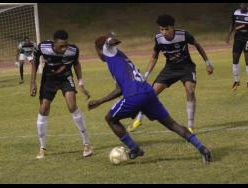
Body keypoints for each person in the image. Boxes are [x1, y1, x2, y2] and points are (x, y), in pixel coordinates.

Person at [88, 34, 213, 163]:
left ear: (101, 49)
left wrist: (110, 40)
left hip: (134, 95)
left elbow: (110, 42)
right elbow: (119, 89)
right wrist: (100, 101)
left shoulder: (109, 53)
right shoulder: (120, 58)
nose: (98, 55)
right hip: (148, 92)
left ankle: (134, 149)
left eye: (97, 52)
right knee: (172, 124)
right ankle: (202, 148)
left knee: (110, 119)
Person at [129, 14, 214, 133]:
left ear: (172, 27)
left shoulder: (183, 35)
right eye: (161, 29)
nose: (164, 32)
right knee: (150, 93)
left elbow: (198, 45)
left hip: (186, 68)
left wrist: (208, 63)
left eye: (166, 29)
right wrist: (146, 75)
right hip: (170, 69)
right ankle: (138, 119)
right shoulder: (158, 38)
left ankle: (190, 126)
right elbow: (154, 57)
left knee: (190, 91)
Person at [30, 30, 93, 159]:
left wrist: (81, 83)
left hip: (65, 77)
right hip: (49, 78)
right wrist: (32, 82)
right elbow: (35, 60)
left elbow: (76, 64)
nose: (64, 48)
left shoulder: (73, 50)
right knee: (43, 109)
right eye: (61, 46)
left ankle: (87, 144)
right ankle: (42, 148)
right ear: (54, 43)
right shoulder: (43, 47)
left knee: (72, 106)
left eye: (66, 45)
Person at [226, 3, 248, 90]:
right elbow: (232, 24)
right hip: (238, 38)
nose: (243, 6)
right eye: (242, 4)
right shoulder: (236, 13)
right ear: (240, 5)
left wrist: (243, 26)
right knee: (235, 59)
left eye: (245, 4)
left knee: (247, 60)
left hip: (247, 38)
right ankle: (236, 81)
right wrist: (228, 35)